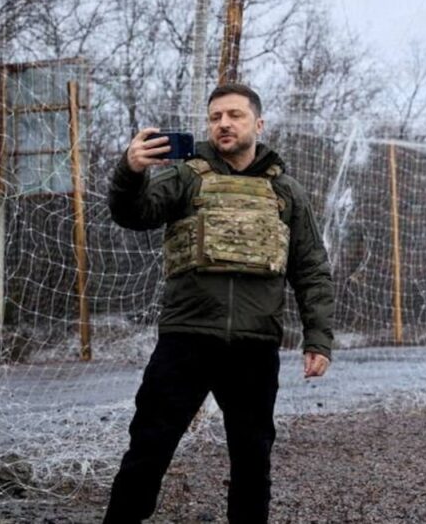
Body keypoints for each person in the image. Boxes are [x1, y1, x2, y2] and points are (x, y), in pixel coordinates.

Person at [102, 83, 335, 524]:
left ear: (258, 124)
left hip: (254, 346)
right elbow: (132, 214)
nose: (224, 124)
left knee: (252, 460)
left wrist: (318, 338)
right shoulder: (186, 175)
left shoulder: (286, 192)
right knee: (148, 449)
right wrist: (129, 171)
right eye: (215, 117)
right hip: (185, 340)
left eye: (235, 115)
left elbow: (311, 268)